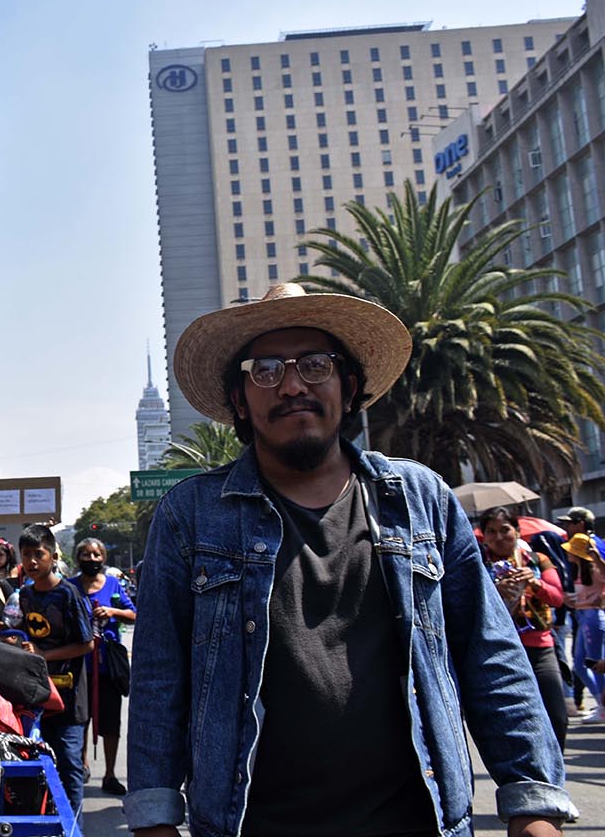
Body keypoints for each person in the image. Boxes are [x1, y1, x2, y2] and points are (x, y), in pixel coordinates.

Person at [126, 282, 572, 837]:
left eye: (315, 364)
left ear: (349, 384)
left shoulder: (420, 499)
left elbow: (490, 654)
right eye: (264, 369)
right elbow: (157, 680)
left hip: (417, 821)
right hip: (249, 824)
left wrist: (532, 805)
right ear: (240, 399)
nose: (291, 385)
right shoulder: (189, 516)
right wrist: (154, 820)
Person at [16, 522, 93, 817]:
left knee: (70, 763)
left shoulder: (69, 594)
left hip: (71, 696)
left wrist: (45, 654)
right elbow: (26, 634)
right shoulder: (25, 595)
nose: (32, 562)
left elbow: (86, 644)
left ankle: (73, 826)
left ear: (52, 556)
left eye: (39, 554)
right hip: (38, 693)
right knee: (41, 762)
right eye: (26, 555)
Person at [480, 508, 569, 752]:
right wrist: (494, 592)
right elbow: (464, 603)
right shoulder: (476, 564)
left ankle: (554, 772)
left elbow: (558, 598)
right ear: (484, 535)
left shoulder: (538, 560)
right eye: (491, 531)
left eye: (505, 530)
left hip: (540, 648)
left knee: (557, 717)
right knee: (511, 719)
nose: (499, 537)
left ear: (517, 532)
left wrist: (534, 582)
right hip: (499, 650)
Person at [68, 536, 135, 796]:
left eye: (96, 555)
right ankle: (80, 765)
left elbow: (133, 614)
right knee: (79, 719)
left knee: (110, 722)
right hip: (78, 665)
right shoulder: (69, 586)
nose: (92, 559)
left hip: (108, 666)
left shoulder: (114, 584)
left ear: (103, 558)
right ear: (78, 558)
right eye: (86, 555)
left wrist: (112, 612)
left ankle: (109, 774)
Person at [563, 531, 605, 723]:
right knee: (580, 664)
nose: (568, 553)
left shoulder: (594, 569)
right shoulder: (577, 569)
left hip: (593, 618)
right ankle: (600, 702)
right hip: (582, 616)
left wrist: (596, 557)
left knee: (594, 663)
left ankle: (603, 707)